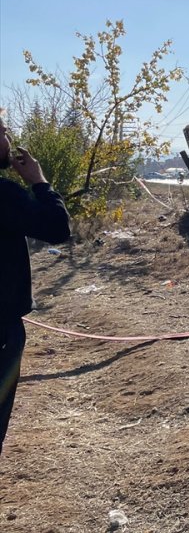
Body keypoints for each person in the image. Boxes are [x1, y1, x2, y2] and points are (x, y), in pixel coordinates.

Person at [0, 111, 71, 456]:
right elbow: (57, 228)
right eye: (2, 133)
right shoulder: (5, 194)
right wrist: (39, 181)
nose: (8, 141)